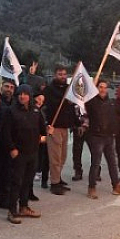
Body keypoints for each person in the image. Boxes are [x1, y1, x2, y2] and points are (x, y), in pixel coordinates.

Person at [1, 84, 46, 224]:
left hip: (33, 152)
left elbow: (42, 130)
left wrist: (46, 133)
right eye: (20, 94)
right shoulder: (11, 111)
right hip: (18, 152)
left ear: (30, 95)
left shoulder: (36, 111)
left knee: (27, 181)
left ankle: (24, 206)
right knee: (16, 182)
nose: (22, 96)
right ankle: (12, 210)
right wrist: (12, 148)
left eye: (25, 94)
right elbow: (6, 132)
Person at [84, 80, 120, 199]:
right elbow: (83, 105)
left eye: (105, 87)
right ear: (96, 88)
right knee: (96, 163)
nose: (103, 90)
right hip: (96, 137)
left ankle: (116, 186)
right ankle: (91, 188)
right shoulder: (91, 102)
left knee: (112, 163)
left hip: (109, 136)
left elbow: (115, 116)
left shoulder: (111, 103)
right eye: (100, 87)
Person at [43, 64, 75, 195]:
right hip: (54, 126)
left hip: (64, 126)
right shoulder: (49, 89)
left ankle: (58, 178)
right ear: (55, 75)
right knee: (55, 157)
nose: (62, 76)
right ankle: (54, 183)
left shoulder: (68, 89)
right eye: (60, 74)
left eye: (64, 74)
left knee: (62, 156)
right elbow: (49, 105)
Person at [0, 79, 16, 209]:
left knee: (7, 174)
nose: (9, 89)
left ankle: (3, 199)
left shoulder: (15, 103)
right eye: (6, 86)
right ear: (1, 87)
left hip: (9, 144)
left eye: (12, 87)